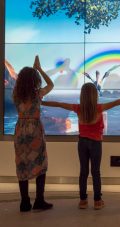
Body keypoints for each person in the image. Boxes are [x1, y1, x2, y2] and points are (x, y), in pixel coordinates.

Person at [42, 83, 120, 210]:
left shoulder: (78, 108)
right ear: (95, 96)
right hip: (96, 144)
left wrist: (42, 103)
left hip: (82, 143)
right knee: (96, 172)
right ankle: (97, 201)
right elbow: (117, 102)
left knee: (83, 172)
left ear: (82, 96)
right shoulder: (99, 108)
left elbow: (58, 104)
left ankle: (83, 201)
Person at [13, 56, 54, 212]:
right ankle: (39, 200)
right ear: (34, 80)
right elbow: (51, 84)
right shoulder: (38, 94)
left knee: (22, 164)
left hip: (20, 131)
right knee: (41, 164)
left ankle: (24, 203)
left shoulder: (16, 96)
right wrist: (40, 69)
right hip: (35, 131)